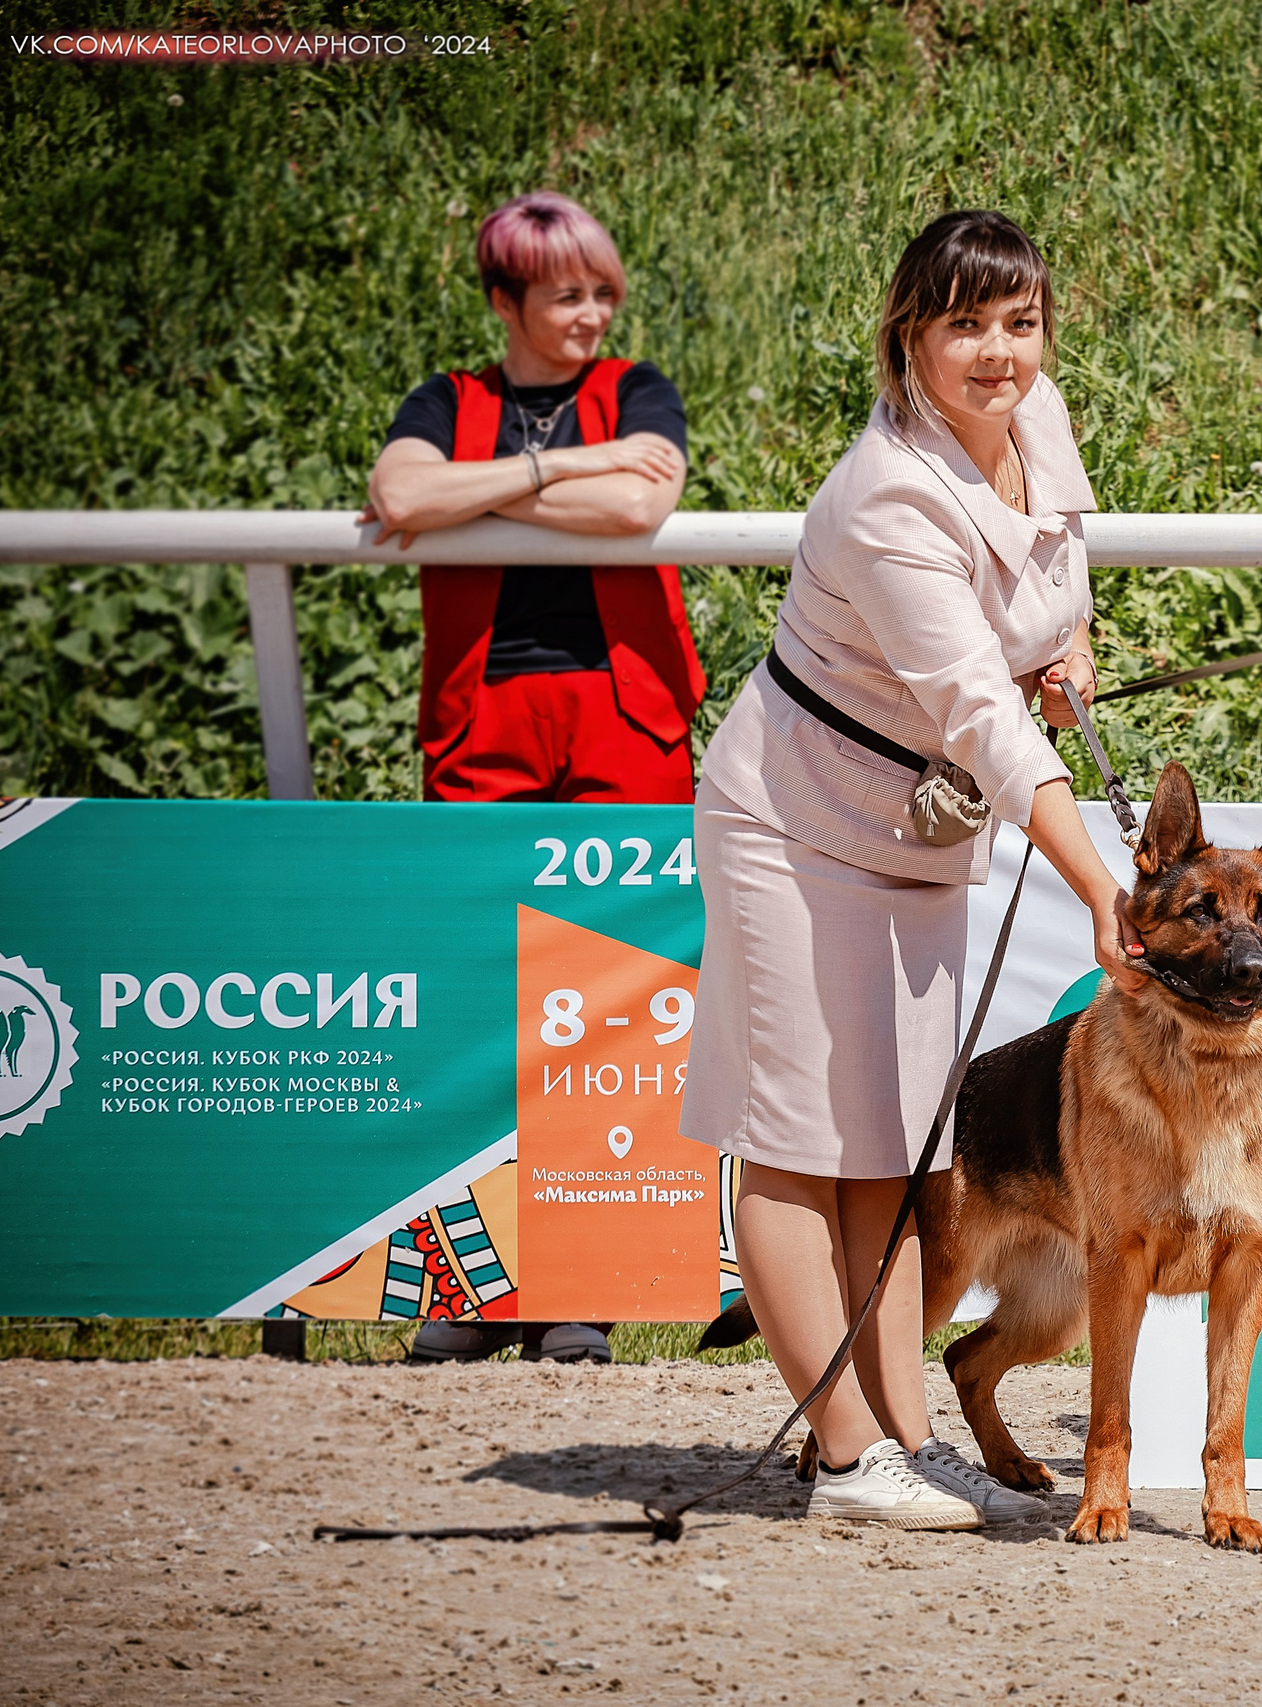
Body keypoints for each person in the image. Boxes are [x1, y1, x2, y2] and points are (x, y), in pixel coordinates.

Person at [680, 210, 1147, 1529]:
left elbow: (1052, 576)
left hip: (919, 837)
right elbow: (978, 718)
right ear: (908, 335)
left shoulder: (1038, 417)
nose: (997, 352)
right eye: (964, 324)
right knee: (791, 1141)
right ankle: (843, 1456)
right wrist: (1100, 887)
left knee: (891, 1144)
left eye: (1019, 320)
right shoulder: (888, 490)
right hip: (792, 820)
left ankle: (903, 1434)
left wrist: (1069, 649)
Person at [360, 190, 708, 1365]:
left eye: (604, 291)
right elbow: (402, 497)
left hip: (627, 713)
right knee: (484, 1008)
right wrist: (571, 463)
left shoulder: (639, 391)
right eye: (568, 295)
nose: (594, 315)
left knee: (613, 1003)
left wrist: (505, 477)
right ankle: (468, 1289)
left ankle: (579, 1290)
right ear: (504, 300)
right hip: (483, 716)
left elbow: (643, 500)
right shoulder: (443, 402)